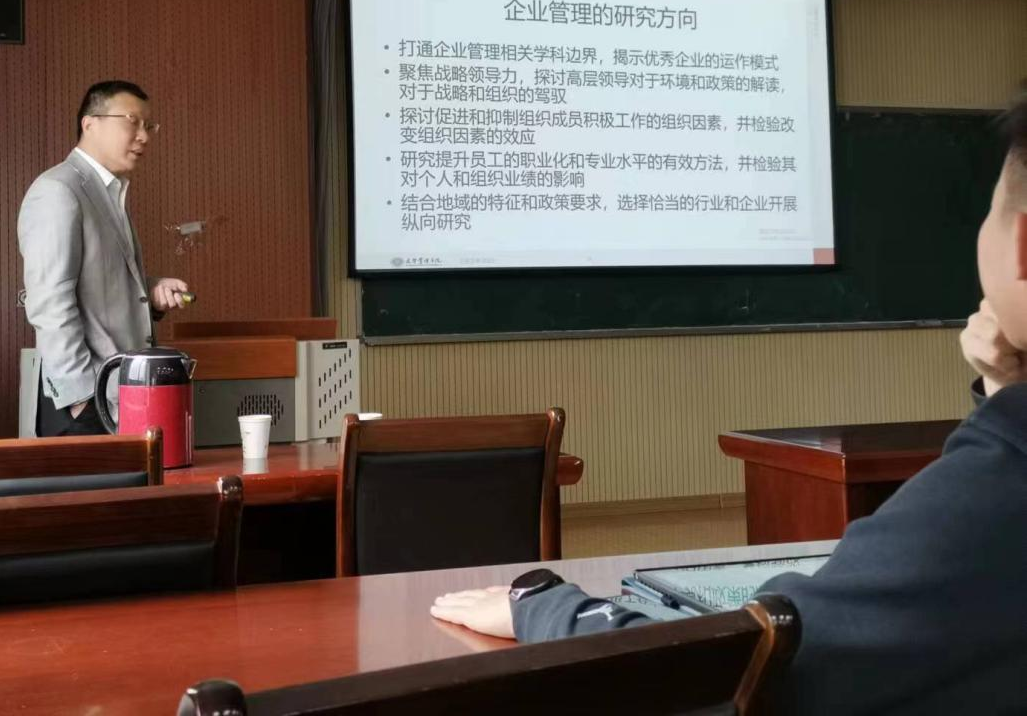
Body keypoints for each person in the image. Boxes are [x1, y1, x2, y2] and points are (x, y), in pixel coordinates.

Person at [431, 96, 1027, 714]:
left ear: (1021, 247)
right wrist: (1003, 392)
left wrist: (545, 607)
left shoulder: (990, 496)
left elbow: (742, 672)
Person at [18, 80, 190, 437]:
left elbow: (98, 284)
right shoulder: (58, 190)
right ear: (90, 124)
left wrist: (150, 291)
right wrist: (82, 398)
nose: (144, 136)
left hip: (115, 395)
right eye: (132, 121)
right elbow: (49, 302)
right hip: (84, 404)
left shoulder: (108, 192)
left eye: (149, 125)